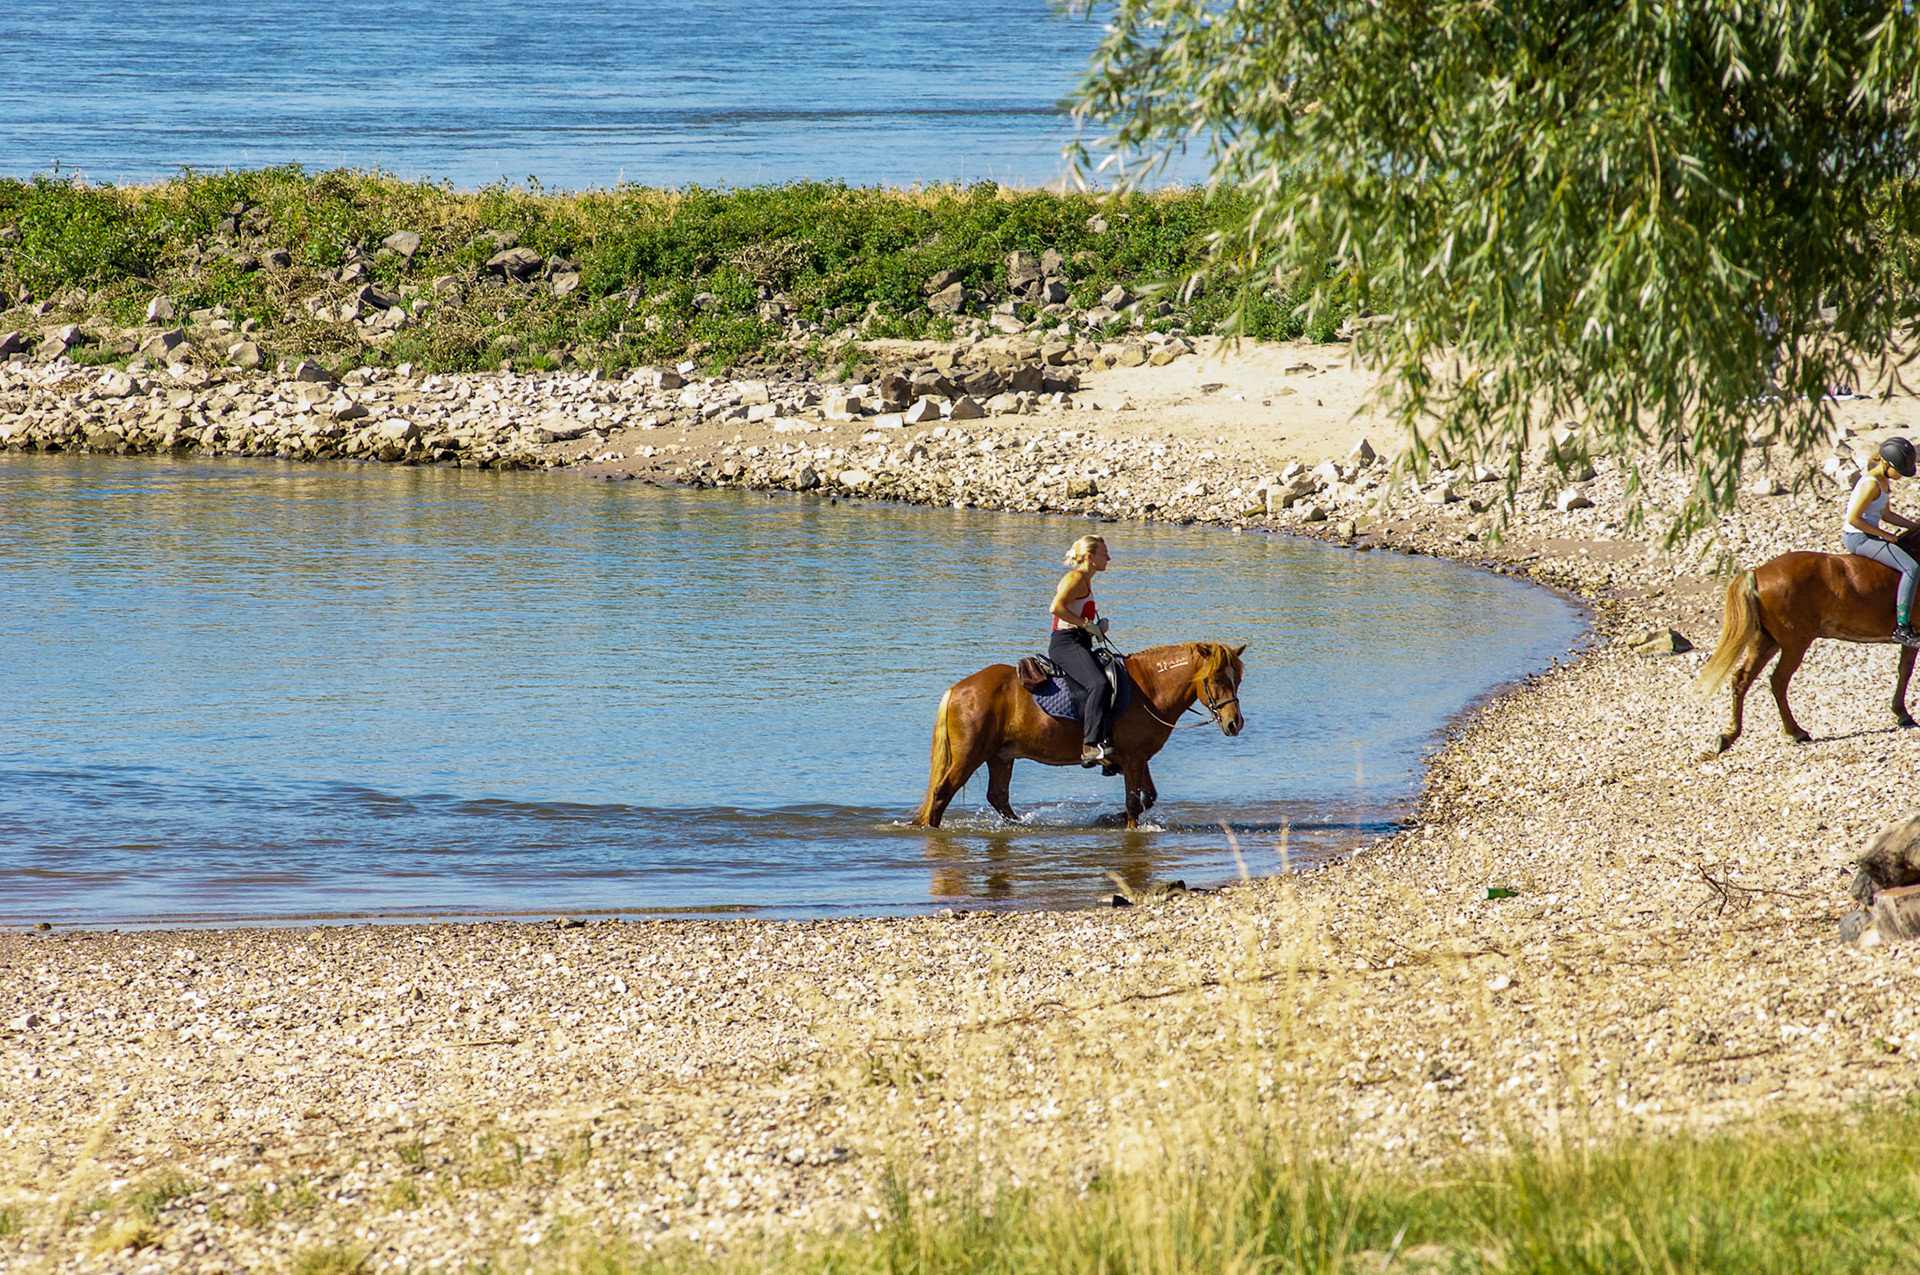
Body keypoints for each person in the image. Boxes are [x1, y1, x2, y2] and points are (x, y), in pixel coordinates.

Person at [1843, 437, 1920, 647]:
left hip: (1869, 534)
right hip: (1857, 537)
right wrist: (1883, 535)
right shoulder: (1871, 484)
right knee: (1912, 567)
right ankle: (1903, 627)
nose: (1902, 476)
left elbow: (1887, 515)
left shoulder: (1884, 482)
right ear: (1886, 464)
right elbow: (1854, 519)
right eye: (1900, 471)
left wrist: (1914, 527)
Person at [1049, 534, 1117, 768]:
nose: (1108, 557)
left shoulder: (1086, 581)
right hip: (1066, 643)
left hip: (1080, 640)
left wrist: (1095, 629)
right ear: (1090, 556)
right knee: (1098, 684)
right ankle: (1089, 745)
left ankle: (1109, 749)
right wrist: (1084, 624)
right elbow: (1055, 608)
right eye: (1104, 553)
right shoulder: (1075, 578)